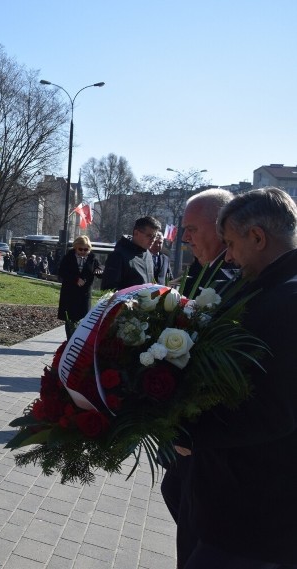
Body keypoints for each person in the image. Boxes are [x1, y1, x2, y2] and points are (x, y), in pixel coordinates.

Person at [183, 187, 297, 568]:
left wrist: (191, 432)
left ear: (258, 237)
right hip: (246, 513)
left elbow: (274, 410)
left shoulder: (286, 301)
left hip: (254, 520)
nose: (227, 255)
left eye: (231, 243)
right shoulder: (270, 289)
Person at [161, 188, 234, 569]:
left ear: (223, 228)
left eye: (191, 228)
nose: (184, 237)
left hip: (209, 443)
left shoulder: (234, 279)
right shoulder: (203, 271)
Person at [57, 236, 103, 339]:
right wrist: (75, 279)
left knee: (84, 319)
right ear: (75, 247)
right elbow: (62, 272)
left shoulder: (92, 258)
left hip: (84, 294)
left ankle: (78, 341)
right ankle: (70, 341)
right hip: (70, 293)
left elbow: (99, 269)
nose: (83, 251)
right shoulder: (69, 257)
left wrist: (99, 271)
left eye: (86, 249)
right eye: (80, 249)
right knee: (70, 320)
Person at [100, 215, 161, 290]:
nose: (153, 240)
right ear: (136, 233)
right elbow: (108, 289)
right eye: (149, 236)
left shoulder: (148, 254)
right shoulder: (118, 255)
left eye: (155, 236)